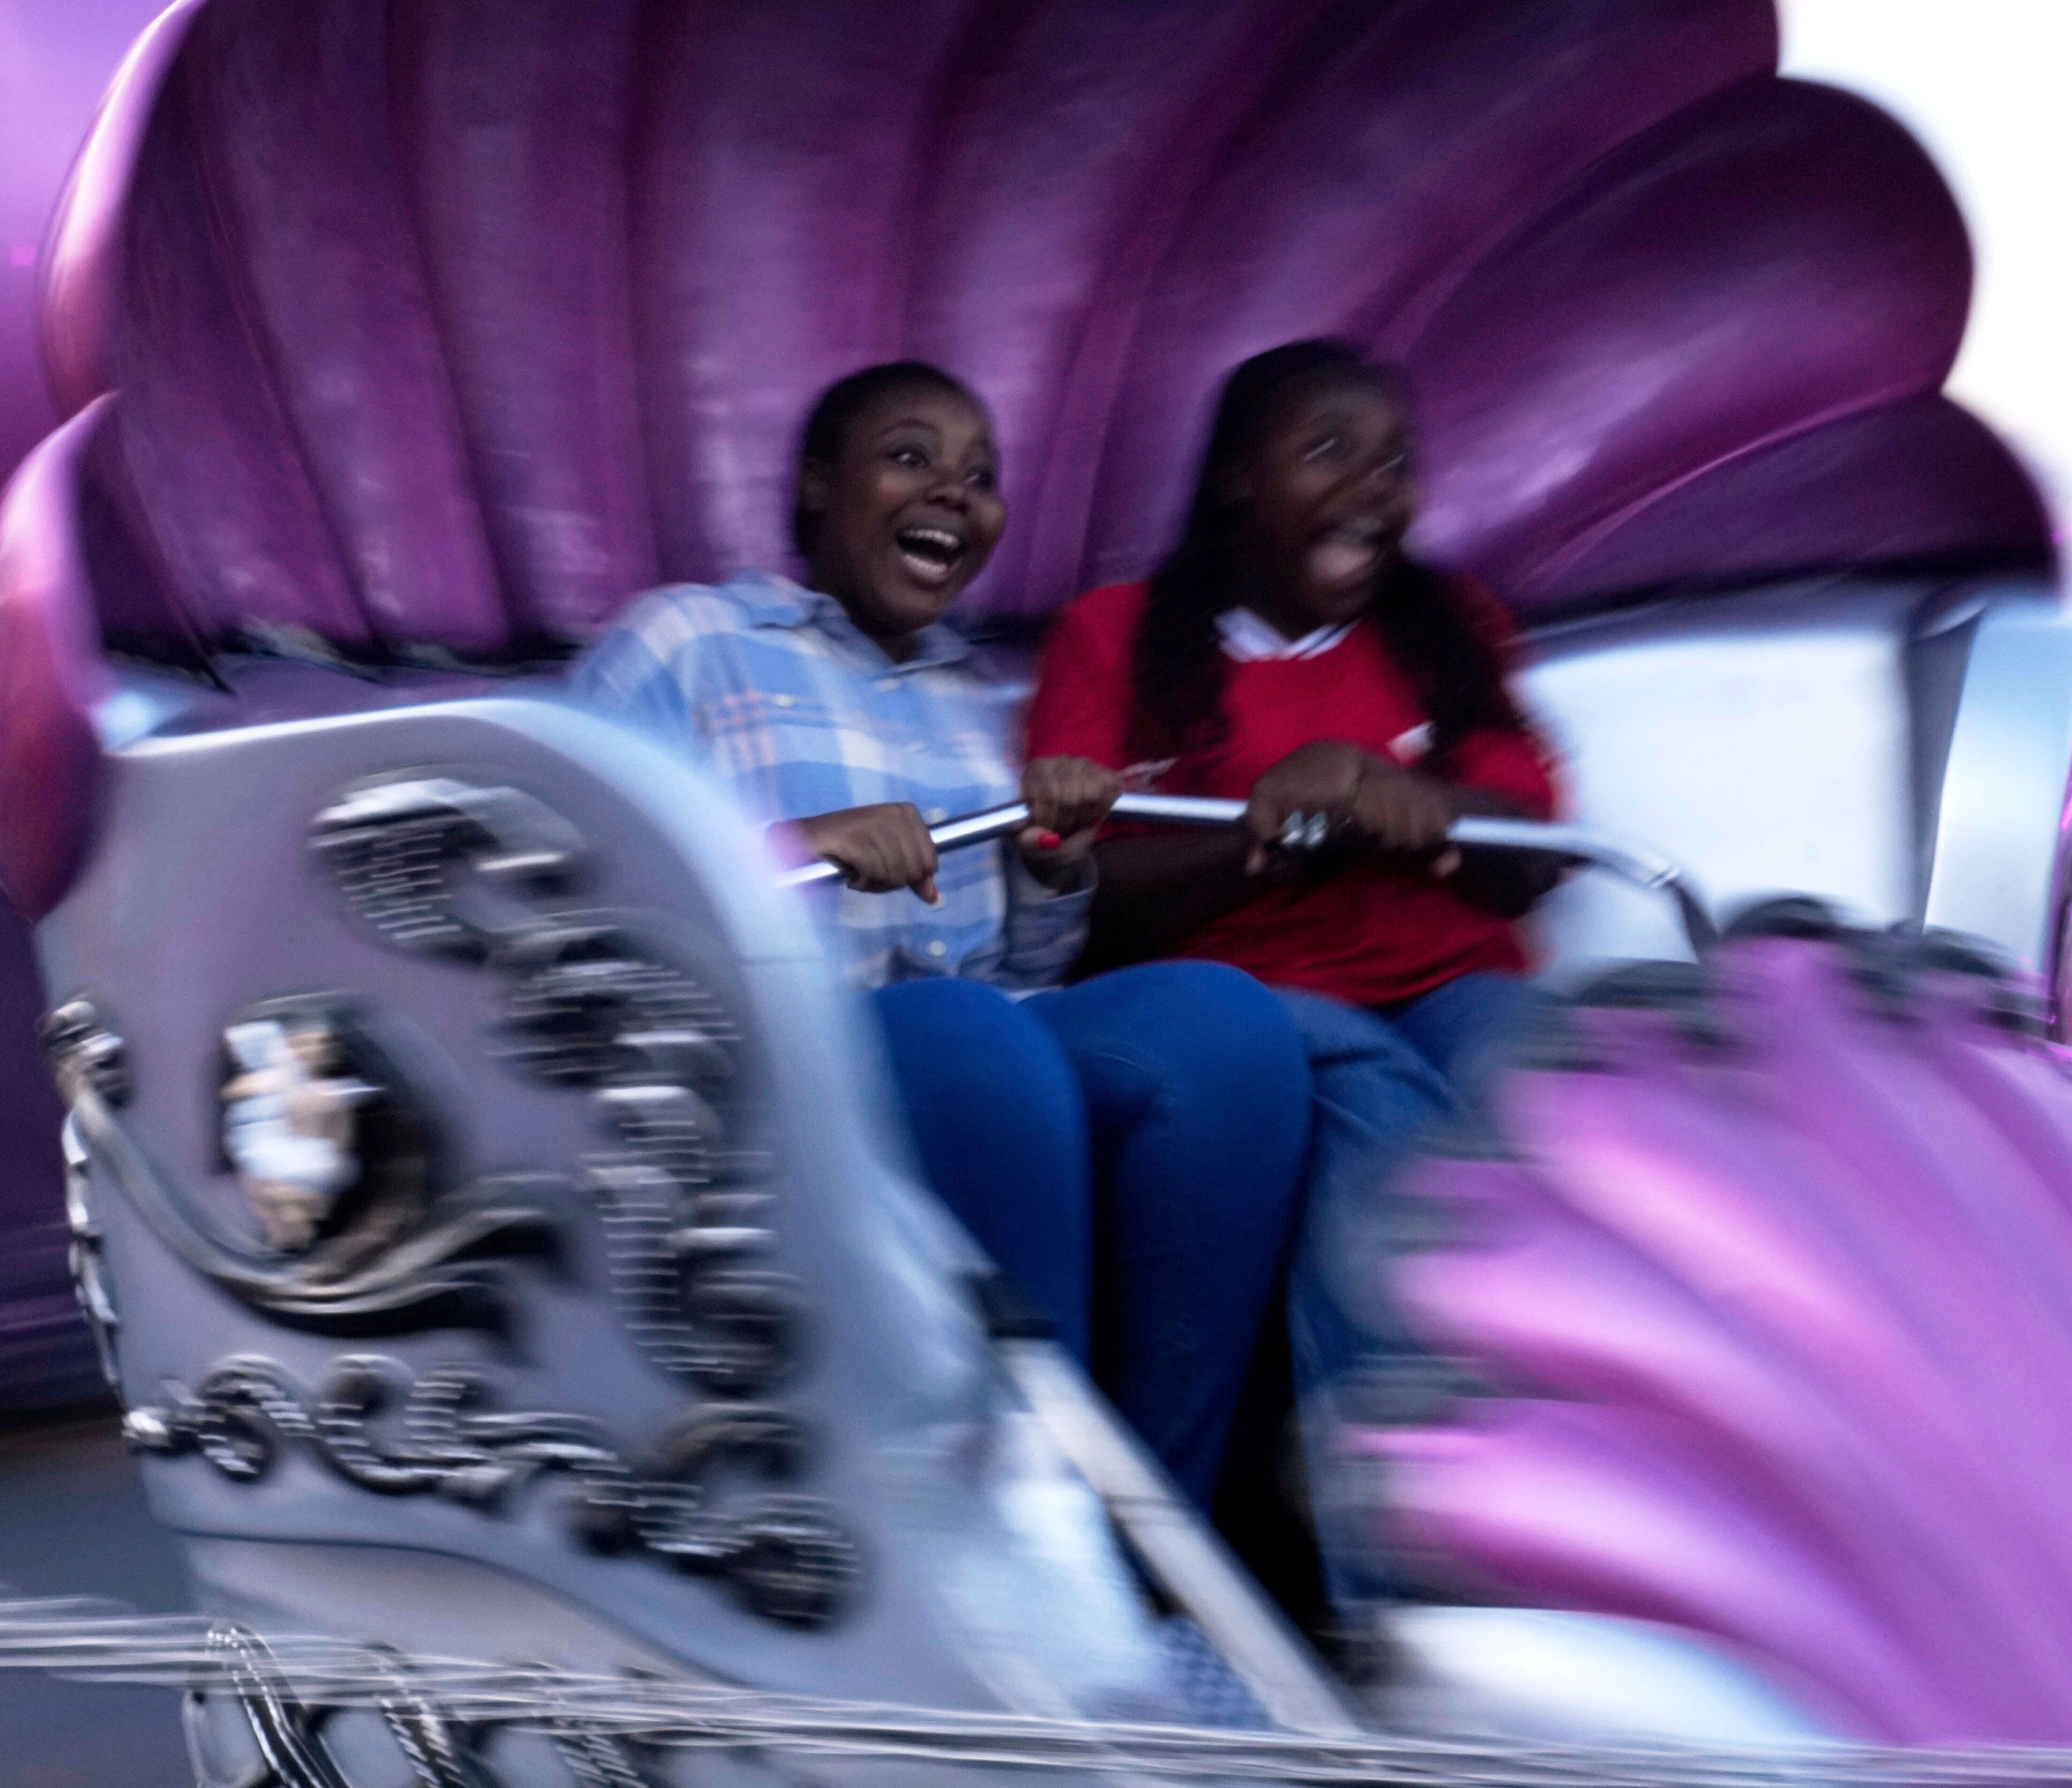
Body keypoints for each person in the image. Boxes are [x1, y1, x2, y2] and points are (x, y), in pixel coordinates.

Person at [570, 360, 1351, 1507]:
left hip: (977, 1026)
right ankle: (1025, 1523)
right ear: (817, 490)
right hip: (773, 1043)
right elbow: (563, 866)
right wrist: (795, 846)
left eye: (981, 476)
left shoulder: (972, 700)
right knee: (964, 1035)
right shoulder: (689, 637)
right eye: (909, 457)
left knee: (1220, 1019)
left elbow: (1028, 969)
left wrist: (1060, 859)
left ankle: (1153, 1526)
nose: (954, 492)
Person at [1026, 338, 1563, 1115]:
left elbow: (1533, 865)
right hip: (1251, 994)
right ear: (1238, 478)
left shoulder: (1451, 622)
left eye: (1394, 464)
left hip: (1460, 986)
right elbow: (1083, 900)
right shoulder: (1109, 634)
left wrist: (1400, 795)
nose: (1370, 491)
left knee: (1552, 1090)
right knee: (1376, 1100)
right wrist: (1280, 826)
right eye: (1328, 451)